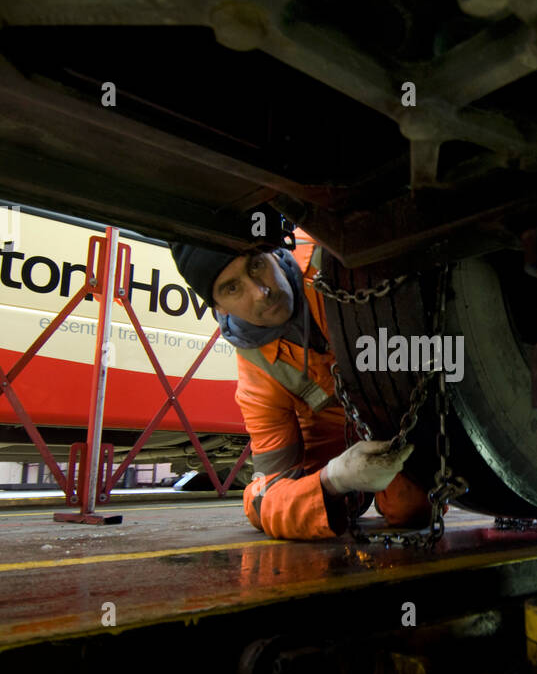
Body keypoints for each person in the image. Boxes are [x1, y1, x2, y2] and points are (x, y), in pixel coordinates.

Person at [172, 227, 436, 540]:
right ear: (219, 307)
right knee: (260, 506)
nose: (260, 291)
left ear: (272, 252)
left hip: (396, 414)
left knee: (411, 507)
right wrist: (333, 481)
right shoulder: (259, 375)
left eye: (256, 265)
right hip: (332, 447)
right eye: (232, 288)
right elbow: (269, 487)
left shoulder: (335, 262)